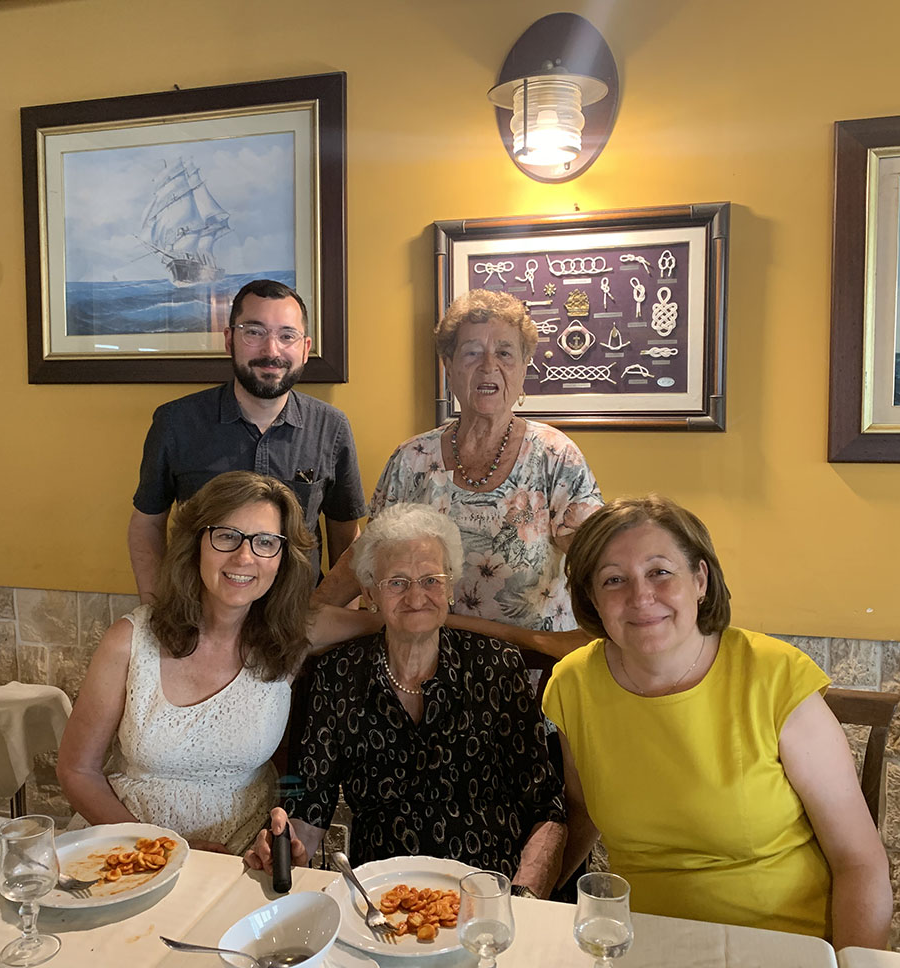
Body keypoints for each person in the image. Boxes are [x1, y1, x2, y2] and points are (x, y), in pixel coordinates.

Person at [542, 496, 892, 948]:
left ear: (700, 580)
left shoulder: (773, 676)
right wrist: (529, 902)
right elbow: (583, 812)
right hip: (644, 945)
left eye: (659, 572)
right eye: (614, 580)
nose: (640, 596)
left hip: (780, 948)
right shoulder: (573, 683)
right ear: (592, 598)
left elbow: (859, 862)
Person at [245, 503, 566, 897]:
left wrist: (523, 896)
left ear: (450, 587)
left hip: (487, 891)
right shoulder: (338, 675)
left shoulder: (497, 667)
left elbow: (545, 806)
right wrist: (288, 843)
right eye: (397, 582)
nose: (416, 596)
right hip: (382, 897)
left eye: (431, 580)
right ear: (370, 593)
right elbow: (311, 806)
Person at [60, 471, 376, 854]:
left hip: (242, 858)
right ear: (195, 544)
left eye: (265, 542)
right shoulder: (130, 639)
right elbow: (78, 770)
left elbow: (403, 620)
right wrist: (163, 849)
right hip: (132, 853)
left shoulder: (294, 632)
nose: (244, 557)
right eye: (226, 536)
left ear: (282, 558)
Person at [312, 289, 602, 658]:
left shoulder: (556, 457)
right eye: (472, 352)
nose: (488, 366)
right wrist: (303, 618)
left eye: (504, 353)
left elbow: (598, 560)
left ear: (524, 367)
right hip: (422, 665)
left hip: (529, 666)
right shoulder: (412, 459)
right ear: (449, 366)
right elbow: (368, 555)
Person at [128, 279, 367, 602]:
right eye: (254, 332)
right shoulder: (175, 422)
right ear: (230, 340)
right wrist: (157, 610)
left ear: (305, 348)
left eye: (287, 336)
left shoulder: (331, 428)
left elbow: (346, 539)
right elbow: (147, 525)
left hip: (300, 620)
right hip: (200, 617)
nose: (271, 351)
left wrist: (336, 619)